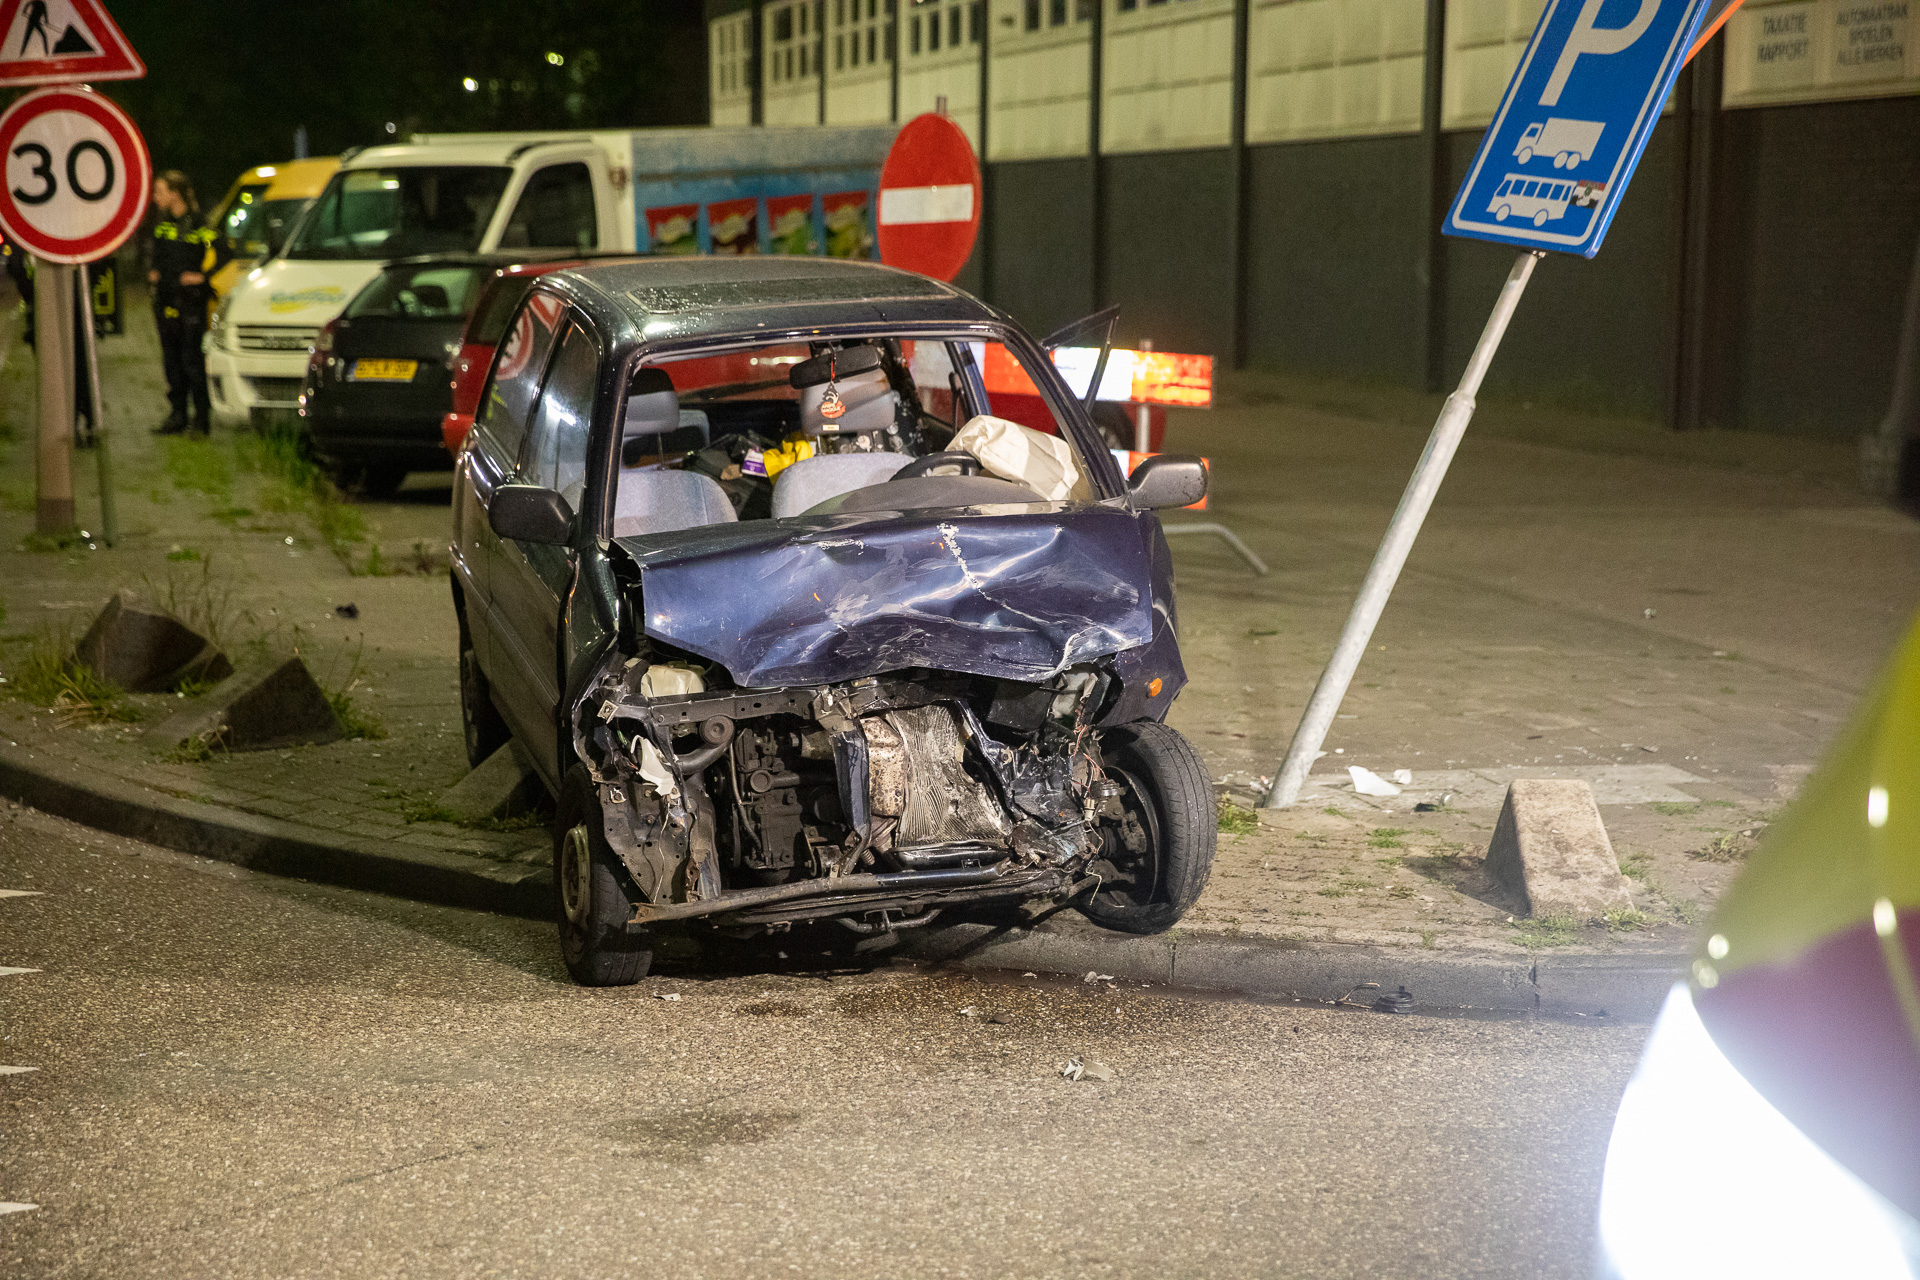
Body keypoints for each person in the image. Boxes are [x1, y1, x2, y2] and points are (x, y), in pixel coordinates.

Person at [146, 170, 226, 435]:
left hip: (190, 302)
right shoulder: (162, 224)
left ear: (175, 193)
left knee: (192, 359)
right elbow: (157, 255)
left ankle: (201, 419)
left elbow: (225, 252)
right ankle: (177, 414)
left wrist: (203, 277)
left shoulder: (200, 224)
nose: (155, 198)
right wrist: (154, 272)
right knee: (171, 359)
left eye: (160, 192)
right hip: (165, 299)